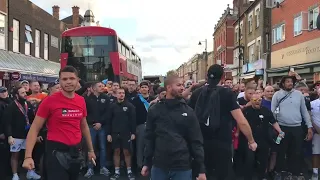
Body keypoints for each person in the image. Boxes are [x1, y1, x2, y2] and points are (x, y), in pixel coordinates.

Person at [22, 66, 96, 180]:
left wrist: (91, 150)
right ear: (60, 81)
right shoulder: (49, 101)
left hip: (76, 153)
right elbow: (35, 128)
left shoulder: (81, 100)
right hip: (55, 153)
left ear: (77, 81)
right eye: (64, 79)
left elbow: (84, 125)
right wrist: (28, 156)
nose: (68, 82)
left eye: (72, 78)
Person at [188, 64, 257, 180]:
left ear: (207, 76)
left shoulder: (196, 93)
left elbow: (189, 118)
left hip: (200, 143)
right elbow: (241, 121)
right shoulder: (227, 94)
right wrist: (251, 140)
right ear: (223, 77)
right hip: (222, 143)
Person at [141, 75, 206, 180]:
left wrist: (201, 169)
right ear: (169, 87)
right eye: (179, 85)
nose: (182, 88)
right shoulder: (155, 110)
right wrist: (146, 163)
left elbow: (196, 141)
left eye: (183, 85)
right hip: (159, 166)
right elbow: (149, 138)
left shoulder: (189, 112)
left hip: (182, 166)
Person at [271, 75, 313, 180]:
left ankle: (294, 173)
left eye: (291, 81)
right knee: (281, 151)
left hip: (297, 128)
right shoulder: (277, 94)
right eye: (287, 81)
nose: (290, 83)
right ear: (283, 83)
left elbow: (304, 111)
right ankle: (280, 172)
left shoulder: (299, 95)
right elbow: (273, 111)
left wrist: (309, 126)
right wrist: (275, 126)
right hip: (282, 128)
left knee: (296, 151)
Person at [241, 93, 283, 180]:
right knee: (249, 161)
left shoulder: (266, 110)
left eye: (259, 100)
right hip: (250, 139)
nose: (257, 102)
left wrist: (280, 131)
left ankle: (262, 177)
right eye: (255, 100)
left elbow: (273, 121)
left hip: (264, 139)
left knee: (263, 160)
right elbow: (241, 124)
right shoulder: (246, 111)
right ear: (251, 101)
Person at [4, 85, 41, 180]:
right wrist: (9, 136)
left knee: (29, 154)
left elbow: (33, 120)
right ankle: (15, 175)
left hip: (28, 135)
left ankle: (31, 172)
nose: (25, 94)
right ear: (16, 95)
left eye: (25, 92)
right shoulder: (11, 106)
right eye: (22, 93)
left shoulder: (27, 104)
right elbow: (7, 123)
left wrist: (35, 134)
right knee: (15, 155)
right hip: (16, 136)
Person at [106, 88, 136, 180]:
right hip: (114, 132)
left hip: (126, 132)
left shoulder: (130, 106)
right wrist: (108, 134)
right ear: (116, 94)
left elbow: (133, 120)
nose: (121, 94)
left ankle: (129, 171)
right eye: (119, 93)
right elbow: (108, 121)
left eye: (123, 93)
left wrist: (133, 132)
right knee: (116, 151)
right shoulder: (112, 106)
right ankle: (116, 172)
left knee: (127, 152)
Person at [84, 82, 111, 178]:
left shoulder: (106, 98)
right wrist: (93, 122)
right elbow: (85, 113)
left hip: (102, 127)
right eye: (99, 86)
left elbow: (108, 112)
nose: (102, 87)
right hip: (91, 126)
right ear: (94, 88)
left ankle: (103, 167)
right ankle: (90, 168)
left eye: (102, 86)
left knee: (103, 148)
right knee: (91, 148)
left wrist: (100, 123)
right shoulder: (87, 99)